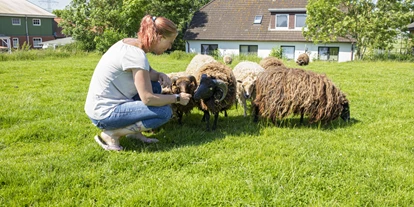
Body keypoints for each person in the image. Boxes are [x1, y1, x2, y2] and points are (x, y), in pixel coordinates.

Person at [85, 15, 192, 151]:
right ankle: (112, 134)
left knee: (155, 86)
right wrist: (177, 98)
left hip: (97, 107)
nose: (170, 46)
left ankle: (134, 133)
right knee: (165, 112)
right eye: (170, 42)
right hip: (105, 114)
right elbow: (147, 98)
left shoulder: (129, 44)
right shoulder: (136, 56)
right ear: (160, 38)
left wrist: (159, 74)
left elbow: (146, 73)